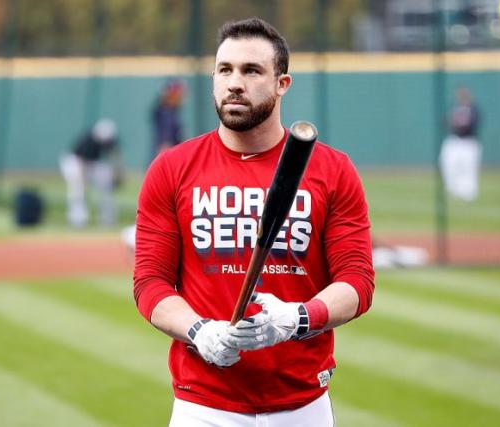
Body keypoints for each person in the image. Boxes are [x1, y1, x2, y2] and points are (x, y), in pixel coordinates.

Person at [134, 18, 374, 426]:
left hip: (302, 407)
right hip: (203, 407)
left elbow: (357, 282)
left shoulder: (332, 170)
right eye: (224, 69)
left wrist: (298, 318)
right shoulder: (172, 169)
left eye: (251, 70)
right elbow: (149, 283)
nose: (234, 83)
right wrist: (199, 331)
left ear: (283, 84)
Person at [60, 118, 122, 228]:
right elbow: (81, 161)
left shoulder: (110, 140)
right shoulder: (88, 140)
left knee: (106, 184)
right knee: (78, 189)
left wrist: (117, 174)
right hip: (75, 163)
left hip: (92, 163)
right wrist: (83, 181)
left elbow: (115, 156)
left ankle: (107, 219)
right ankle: (78, 219)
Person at [439, 86, 482, 201]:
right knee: (449, 164)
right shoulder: (454, 107)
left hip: (468, 142)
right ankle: (452, 189)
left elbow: (471, 125)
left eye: (463, 94)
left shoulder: (473, 109)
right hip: (455, 141)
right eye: (459, 94)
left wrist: (457, 125)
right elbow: (445, 122)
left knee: (468, 169)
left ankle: (469, 193)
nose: (461, 96)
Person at [151, 79, 185, 161]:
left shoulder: (170, 112)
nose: (180, 98)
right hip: (169, 160)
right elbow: (165, 145)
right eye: (178, 95)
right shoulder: (167, 114)